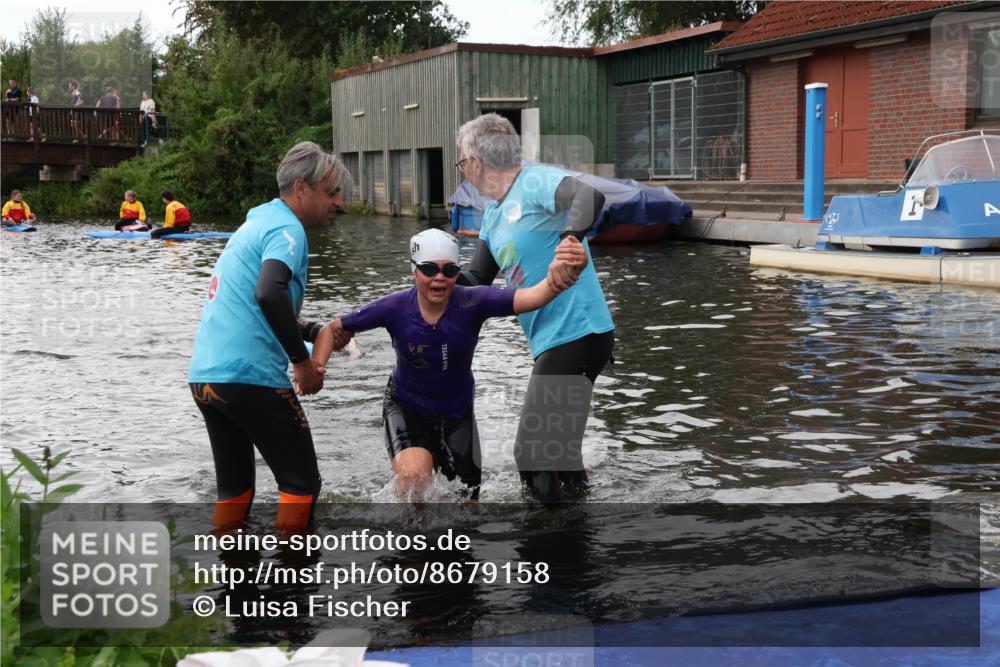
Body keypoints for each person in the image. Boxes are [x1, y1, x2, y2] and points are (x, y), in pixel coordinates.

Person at [311, 228, 587, 502]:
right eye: (429, 269)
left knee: (467, 505)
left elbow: (534, 296)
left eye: (449, 270)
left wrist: (558, 278)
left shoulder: (473, 301)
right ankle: (407, 537)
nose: (439, 278)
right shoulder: (393, 307)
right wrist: (317, 369)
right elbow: (331, 328)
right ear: (414, 271)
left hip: (457, 416)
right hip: (407, 408)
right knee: (414, 481)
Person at [188, 141, 351, 533]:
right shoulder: (286, 229)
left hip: (207, 378)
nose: (340, 203)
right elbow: (268, 293)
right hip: (251, 378)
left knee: (235, 489)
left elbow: (253, 307)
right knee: (302, 484)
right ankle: (291, 583)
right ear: (301, 189)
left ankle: (234, 582)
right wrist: (302, 363)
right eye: (331, 193)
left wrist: (311, 331)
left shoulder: (256, 224)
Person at [454, 113, 614, 503]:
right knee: (559, 456)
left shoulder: (534, 180)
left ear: (476, 161)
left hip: (579, 331)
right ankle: (576, 538)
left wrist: (570, 238)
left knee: (532, 454)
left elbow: (589, 197)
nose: (464, 170)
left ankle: (548, 543)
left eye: (461, 162)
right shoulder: (491, 217)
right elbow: (475, 282)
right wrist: (434, 277)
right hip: (556, 340)